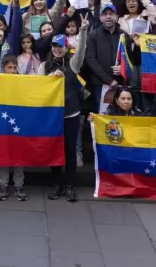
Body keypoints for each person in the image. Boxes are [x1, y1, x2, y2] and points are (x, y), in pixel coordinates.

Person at [40, 16, 89, 203]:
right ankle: (57, 183)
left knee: (69, 150)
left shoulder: (72, 64)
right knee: (54, 150)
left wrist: (83, 30)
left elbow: (82, 51)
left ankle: (69, 185)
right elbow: (37, 88)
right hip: (53, 116)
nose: (56, 49)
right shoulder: (45, 66)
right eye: (54, 46)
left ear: (66, 47)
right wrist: (50, 77)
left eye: (60, 46)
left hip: (71, 113)